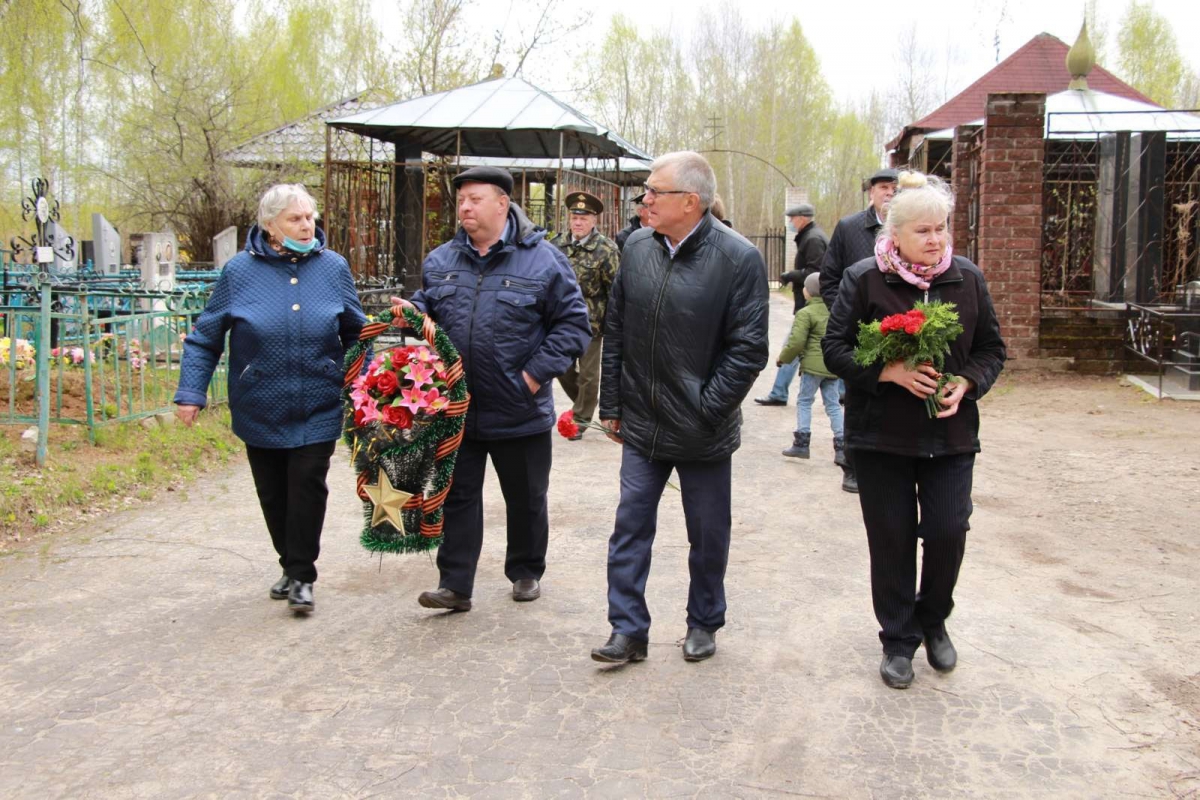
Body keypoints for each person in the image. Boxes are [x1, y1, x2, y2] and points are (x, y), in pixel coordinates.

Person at [822, 170, 1006, 690]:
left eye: (942, 229)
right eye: (923, 231)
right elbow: (835, 349)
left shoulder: (966, 278)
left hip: (950, 438)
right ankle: (899, 640)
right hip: (880, 437)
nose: (936, 240)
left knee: (948, 531)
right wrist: (888, 372)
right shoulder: (865, 278)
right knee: (892, 539)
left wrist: (967, 382)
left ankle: (934, 618)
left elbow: (992, 349)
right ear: (894, 235)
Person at [590, 151, 769, 665]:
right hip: (642, 425)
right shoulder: (638, 247)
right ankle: (627, 630)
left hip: (703, 429)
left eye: (653, 192)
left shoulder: (738, 258)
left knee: (708, 533)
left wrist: (706, 409)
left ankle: (704, 621)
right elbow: (617, 327)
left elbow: (748, 348)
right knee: (630, 527)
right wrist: (612, 403)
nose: (643, 200)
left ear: (690, 202)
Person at [402, 166, 590, 612]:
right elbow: (427, 308)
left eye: (475, 199)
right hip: (458, 407)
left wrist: (531, 377)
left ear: (503, 204)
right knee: (458, 495)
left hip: (517, 408)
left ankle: (525, 570)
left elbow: (573, 325)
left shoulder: (543, 259)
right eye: (461, 200)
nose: (465, 207)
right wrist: (410, 311)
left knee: (525, 497)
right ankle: (455, 584)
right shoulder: (441, 260)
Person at [174, 184, 366, 615]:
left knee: (307, 488)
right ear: (270, 226)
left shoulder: (333, 268)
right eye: (295, 218)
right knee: (274, 494)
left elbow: (356, 332)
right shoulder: (239, 273)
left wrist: (361, 380)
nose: (306, 224)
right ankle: (290, 563)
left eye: (310, 216)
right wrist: (191, 392)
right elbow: (205, 338)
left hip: (319, 401)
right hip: (259, 403)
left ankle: (302, 575)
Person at [818, 167, 898, 493]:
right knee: (855, 396)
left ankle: (893, 460)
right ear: (871, 192)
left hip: (903, 329)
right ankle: (852, 464)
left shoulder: (911, 229)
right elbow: (829, 277)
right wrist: (849, 316)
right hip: (859, 332)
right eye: (883, 187)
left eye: (896, 188)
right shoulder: (851, 228)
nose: (890, 193)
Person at [551, 191, 621, 439]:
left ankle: (580, 419)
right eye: (574, 217)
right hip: (560, 322)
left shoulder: (607, 250)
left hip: (592, 323)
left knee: (589, 374)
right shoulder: (556, 246)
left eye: (584, 218)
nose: (578, 222)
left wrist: (614, 325)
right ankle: (587, 400)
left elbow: (616, 291)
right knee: (561, 368)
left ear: (594, 220)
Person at [755, 203, 828, 407]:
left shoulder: (812, 239)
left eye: (792, 218)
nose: (790, 222)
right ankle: (839, 392)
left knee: (795, 344)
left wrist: (791, 275)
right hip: (812, 303)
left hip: (812, 303)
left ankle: (779, 392)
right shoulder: (811, 236)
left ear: (803, 218)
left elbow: (816, 273)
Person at [778, 272, 842, 462]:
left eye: (805, 287)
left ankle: (802, 443)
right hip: (833, 366)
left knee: (805, 401)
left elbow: (796, 342)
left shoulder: (805, 313)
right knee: (833, 405)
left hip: (812, 368)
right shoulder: (836, 310)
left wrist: (783, 359)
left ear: (811, 292)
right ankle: (841, 446)